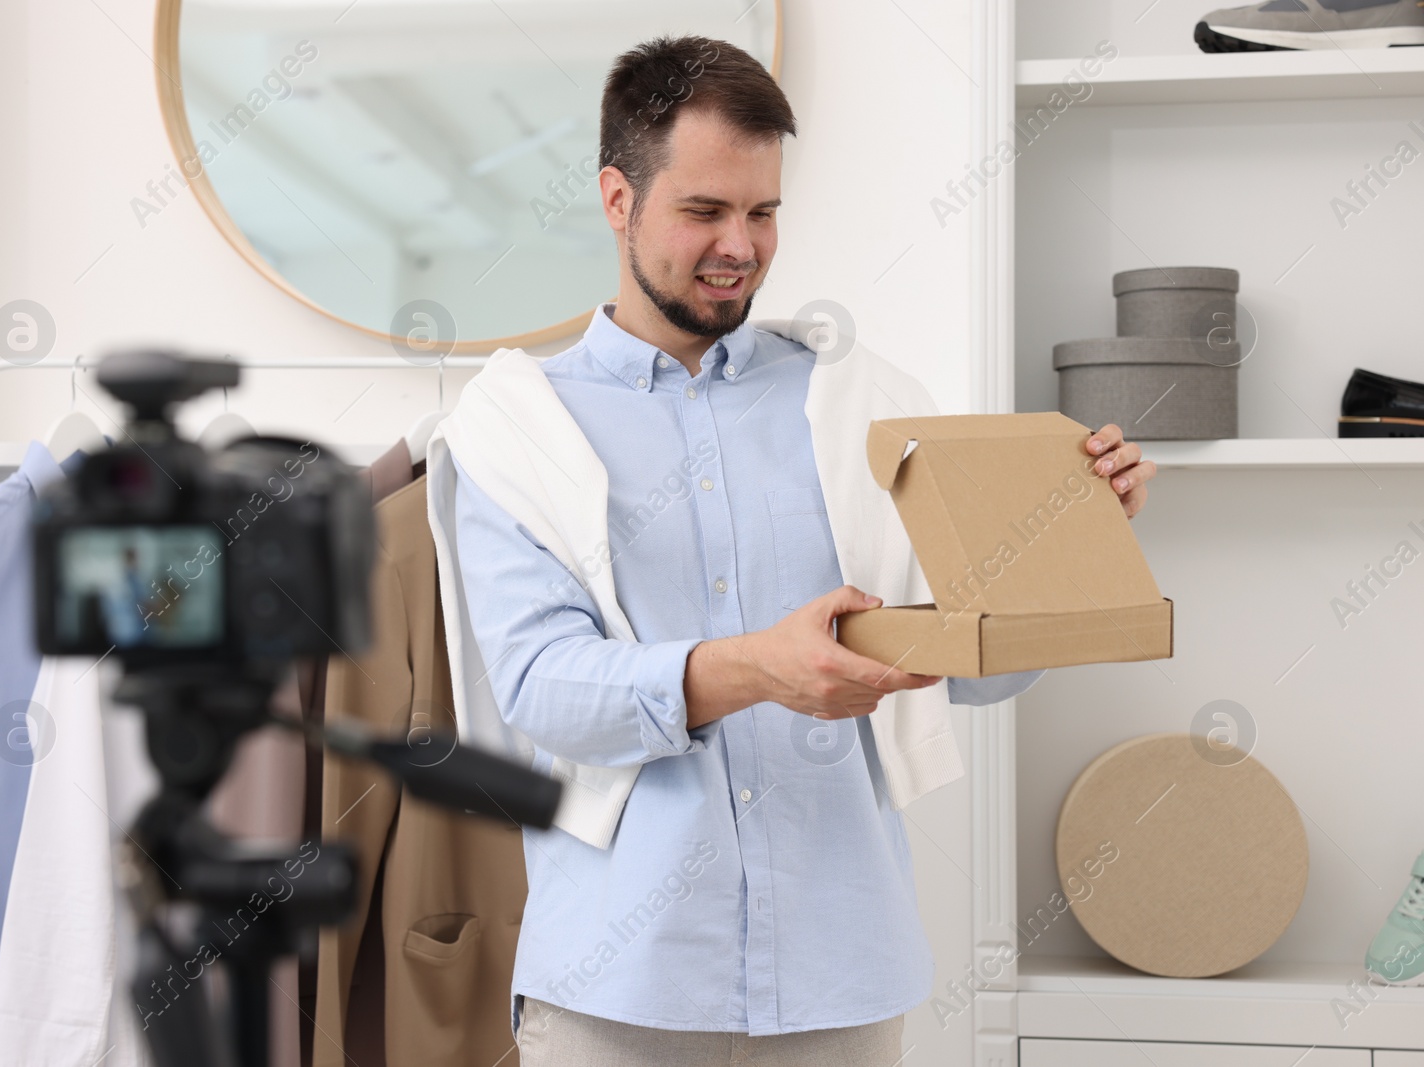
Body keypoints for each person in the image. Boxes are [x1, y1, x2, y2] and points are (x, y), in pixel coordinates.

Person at [446, 34, 1156, 1066]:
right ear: (616, 200)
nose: (740, 243)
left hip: (841, 976)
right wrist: (752, 668)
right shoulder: (518, 426)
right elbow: (543, 685)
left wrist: (1066, 545)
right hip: (619, 985)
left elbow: (969, 665)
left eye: (763, 211)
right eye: (703, 210)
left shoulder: (863, 403)